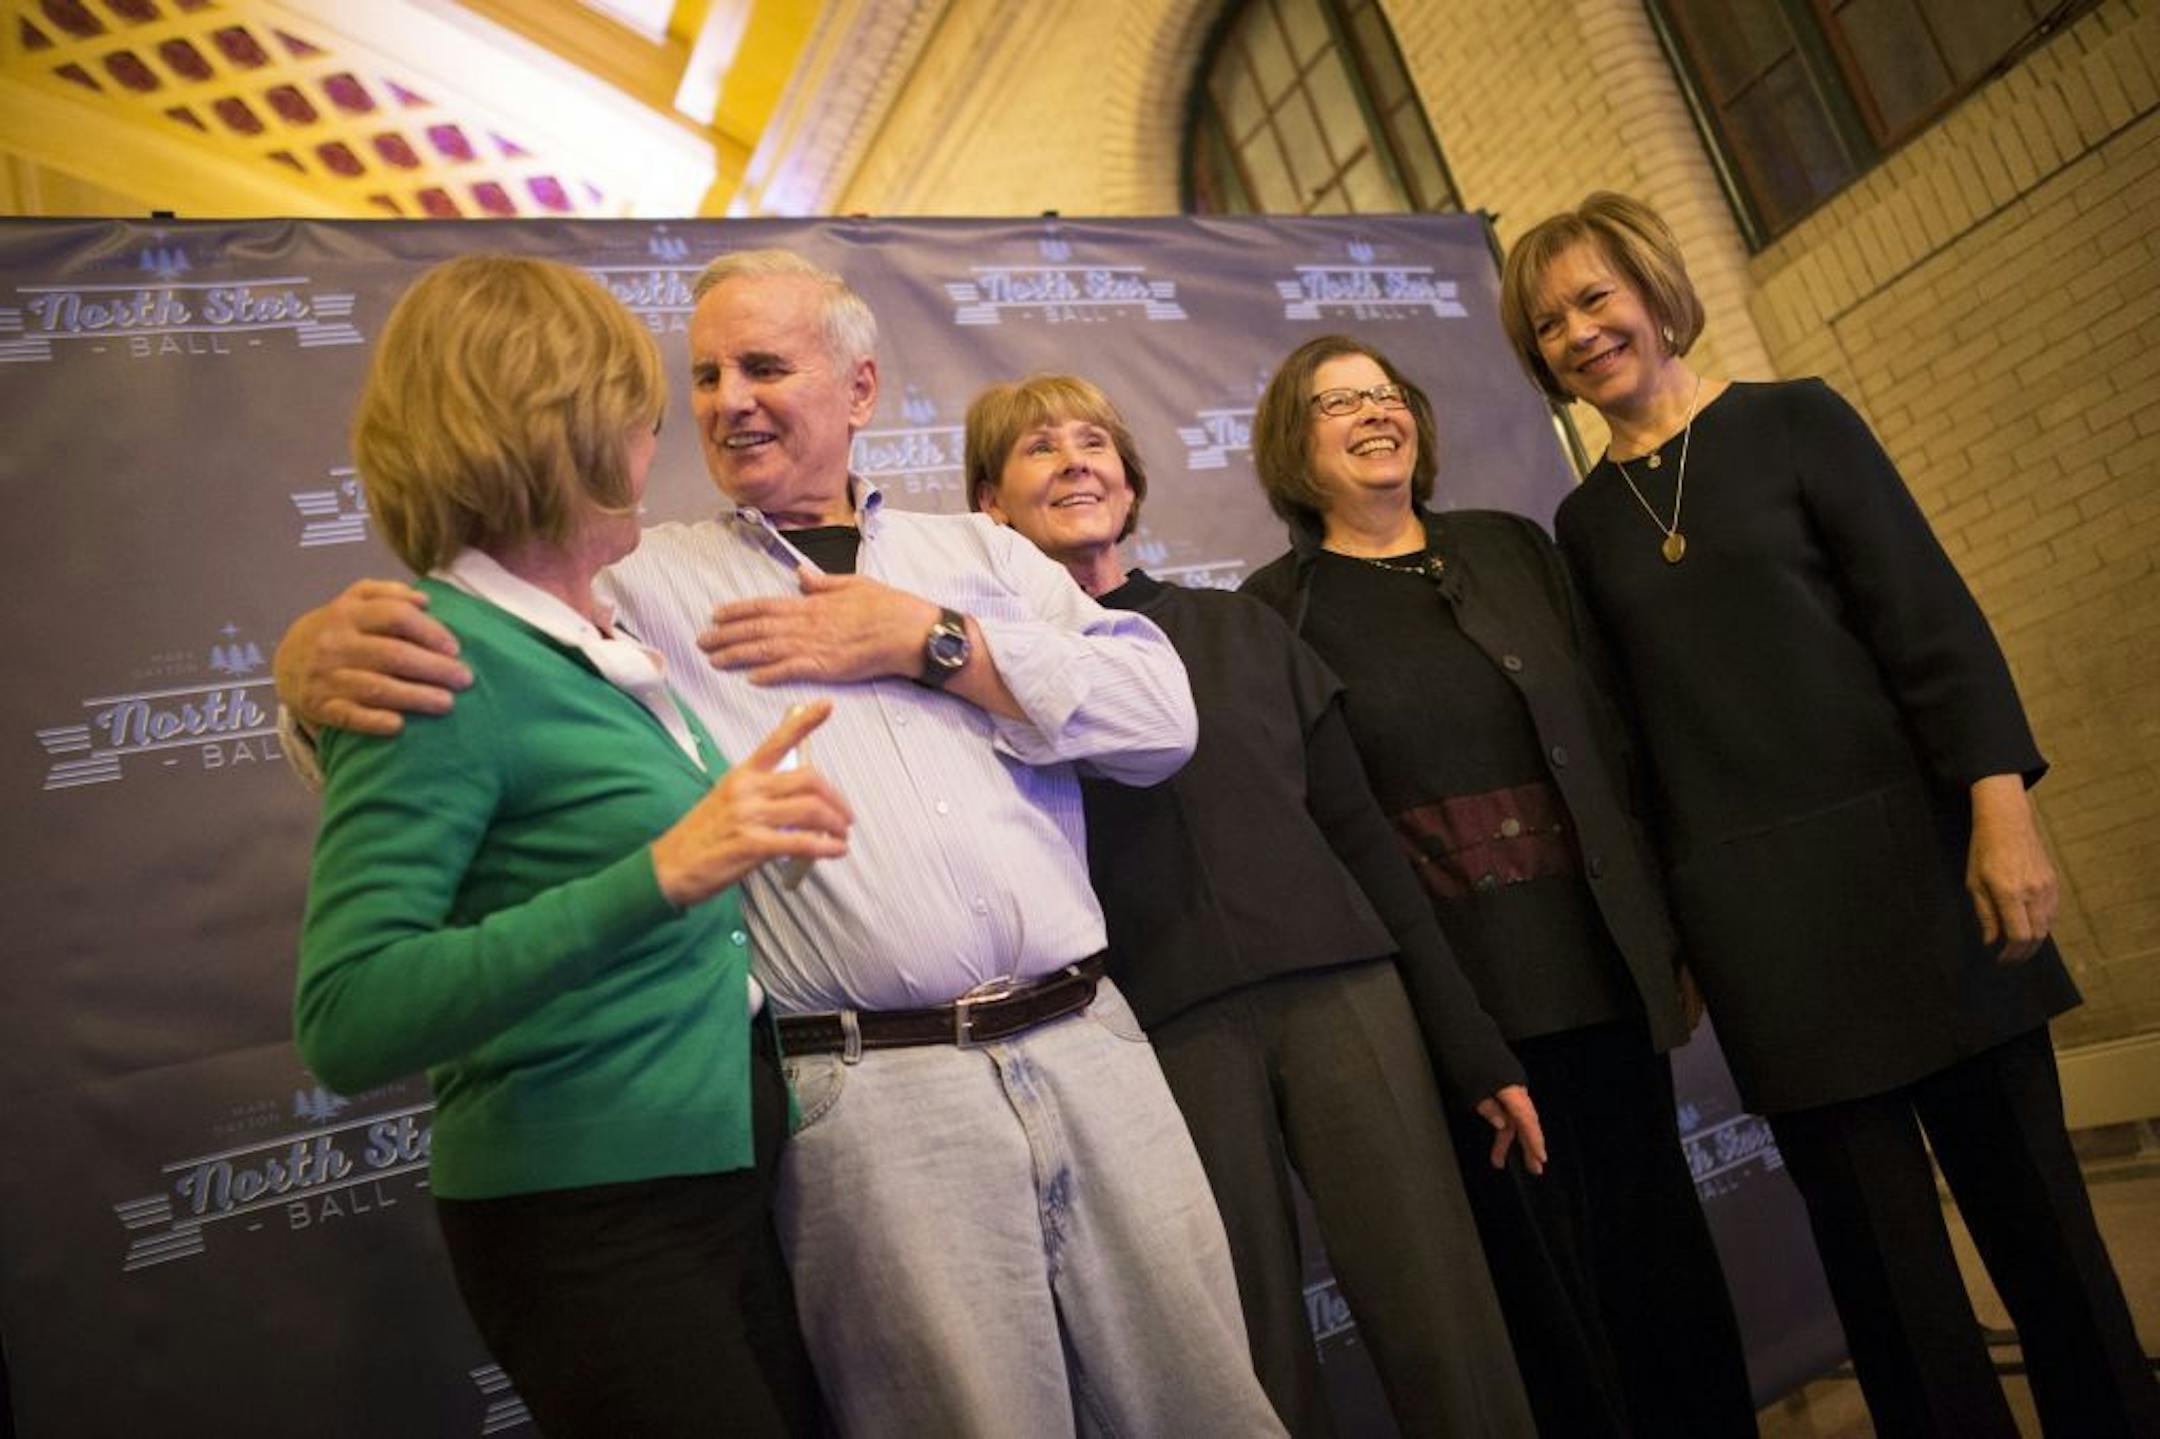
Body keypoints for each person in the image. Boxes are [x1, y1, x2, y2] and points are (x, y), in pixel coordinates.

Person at [276, 249, 1288, 1438]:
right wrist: (305, 675)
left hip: (1087, 1044)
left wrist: (933, 641)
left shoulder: (980, 556)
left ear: (860, 387)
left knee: (1210, 1410)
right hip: (871, 1101)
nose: (727, 398)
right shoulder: (634, 577)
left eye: (764, 365)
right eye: (702, 374)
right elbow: (458, 695)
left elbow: (1160, 723)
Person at [1503, 190, 2160, 1438]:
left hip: (1927, 873)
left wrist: (2002, 809)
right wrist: (1675, 939)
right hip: (1762, 932)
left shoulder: (1796, 419)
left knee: (2042, 1229)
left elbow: (1932, 623)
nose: (1581, 332)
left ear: (1652, 287)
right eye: (1549, 323)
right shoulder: (1580, 529)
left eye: (1596, 297)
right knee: (1887, 1278)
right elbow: (1628, 753)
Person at [293, 254, 851, 1437]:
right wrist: (661, 873)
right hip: (590, 1216)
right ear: (567, 430)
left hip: (708, 1184)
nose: (665, 437)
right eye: (644, 410)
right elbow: (349, 1015)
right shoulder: (446, 654)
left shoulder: (580, 633)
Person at [964, 373, 1539, 1438]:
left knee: (1446, 1326)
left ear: (1130, 484)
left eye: (1094, 442)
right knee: (1246, 1359)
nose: (1075, 461)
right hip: (1156, 1040)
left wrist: (1475, 1049)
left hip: (1346, 999)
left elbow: (1366, 843)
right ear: (990, 505)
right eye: (1039, 449)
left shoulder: (1246, 629)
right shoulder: (977, 678)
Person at [1241, 335, 1757, 1437]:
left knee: (1661, 1263)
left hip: (1601, 969)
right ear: (1295, 442)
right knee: (1546, 1305)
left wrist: (1665, 933)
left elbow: (1615, 740)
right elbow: (1321, 836)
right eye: (1339, 403)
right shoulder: (1276, 610)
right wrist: (1455, 1031)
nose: (1374, 413)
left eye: (1387, 394)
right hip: (1459, 1015)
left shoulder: (1514, 547)